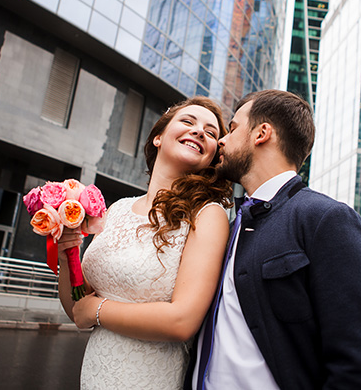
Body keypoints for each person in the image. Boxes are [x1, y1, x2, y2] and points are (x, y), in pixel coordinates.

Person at [186, 89, 361, 390]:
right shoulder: (228, 226)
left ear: (261, 133)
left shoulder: (326, 219)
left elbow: (360, 368)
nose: (222, 141)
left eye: (232, 128)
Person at [56, 96, 233, 390]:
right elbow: (77, 307)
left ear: (213, 156)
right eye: (188, 122)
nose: (199, 131)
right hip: (94, 376)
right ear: (159, 138)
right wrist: (66, 256)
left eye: (211, 132)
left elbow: (181, 322)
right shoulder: (117, 210)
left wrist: (98, 310)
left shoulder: (207, 215)